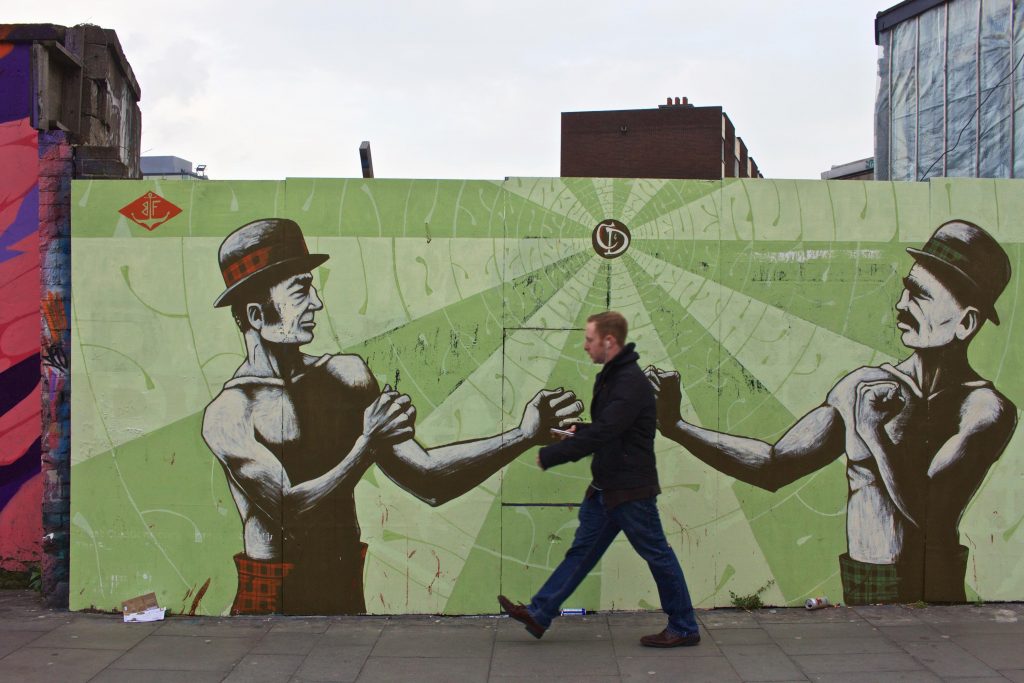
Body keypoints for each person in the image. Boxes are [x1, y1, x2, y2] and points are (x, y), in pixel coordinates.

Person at [201, 218, 583, 615]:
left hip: (342, 577)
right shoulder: (229, 413)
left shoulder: (345, 374)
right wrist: (365, 445)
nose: (317, 303)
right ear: (257, 316)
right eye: (300, 291)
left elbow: (429, 480)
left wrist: (524, 435)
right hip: (273, 592)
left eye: (311, 287)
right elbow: (287, 510)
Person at [646, 219, 1017, 604]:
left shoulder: (985, 410)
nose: (901, 305)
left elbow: (932, 513)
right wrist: (676, 426)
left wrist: (873, 434)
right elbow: (775, 465)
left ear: (966, 322)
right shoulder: (860, 386)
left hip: (938, 582)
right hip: (869, 581)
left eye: (919, 296)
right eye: (906, 290)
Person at [498, 311, 701, 647]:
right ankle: (540, 612)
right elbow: (612, 426)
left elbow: (609, 430)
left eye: (589, 339)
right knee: (582, 552)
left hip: (630, 489)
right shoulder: (612, 377)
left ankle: (683, 626)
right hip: (608, 486)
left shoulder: (628, 382)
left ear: (609, 341)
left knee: (657, 554)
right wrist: (582, 430)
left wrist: (554, 454)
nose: (585, 345)